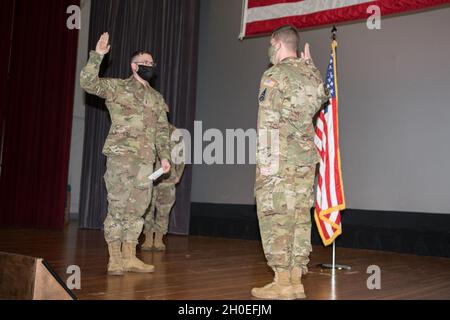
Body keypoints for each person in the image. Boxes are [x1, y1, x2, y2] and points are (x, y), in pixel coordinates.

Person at [80, 32, 172, 276]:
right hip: (121, 160)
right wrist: (97, 55)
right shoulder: (117, 88)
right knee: (118, 207)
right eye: (146, 63)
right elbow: (88, 83)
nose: (151, 67)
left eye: (153, 64)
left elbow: (162, 131)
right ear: (134, 66)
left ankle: (130, 256)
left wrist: (164, 157)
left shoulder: (156, 98)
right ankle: (115, 258)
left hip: (146, 164)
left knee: (138, 209)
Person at [253, 25, 329, 300]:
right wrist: (313, 69)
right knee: (299, 217)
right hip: (306, 160)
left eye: (270, 43)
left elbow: (268, 121)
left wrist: (265, 164)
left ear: (276, 42)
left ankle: (282, 281)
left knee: (276, 217)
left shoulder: (274, 75)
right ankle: (296, 280)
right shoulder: (310, 74)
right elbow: (321, 97)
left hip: (280, 160)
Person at [142, 124, 186, 252]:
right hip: (148, 175)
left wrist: (178, 174)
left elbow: (181, 155)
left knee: (164, 208)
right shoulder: (147, 127)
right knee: (147, 208)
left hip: (168, 176)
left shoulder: (175, 132)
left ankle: (159, 238)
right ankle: (148, 237)